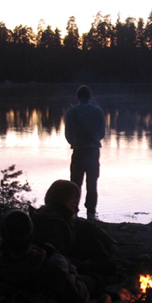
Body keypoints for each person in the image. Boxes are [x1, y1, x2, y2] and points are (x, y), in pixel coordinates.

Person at [0, 209, 90, 303]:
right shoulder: (53, 268)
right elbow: (81, 298)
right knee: (95, 277)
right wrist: (67, 266)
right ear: (31, 233)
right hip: (74, 281)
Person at [30, 180, 117, 265]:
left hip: (67, 258)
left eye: (76, 198)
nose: (76, 202)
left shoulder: (62, 214)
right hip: (61, 263)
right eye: (72, 198)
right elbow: (59, 255)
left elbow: (82, 223)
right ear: (61, 198)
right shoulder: (54, 222)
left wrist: (105, 237)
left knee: (88, 230)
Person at [64, 85, 105, 221]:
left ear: (78, 96)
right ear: (90, 96)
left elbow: (67, 134)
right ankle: (91, 213)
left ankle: (74, 212)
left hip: (78, 151)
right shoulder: (98, 111)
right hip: (93, 151)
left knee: (75, 184)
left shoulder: (71, 112)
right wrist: (92, 139)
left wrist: (75, 143)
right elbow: (101, 134)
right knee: (92, 183)